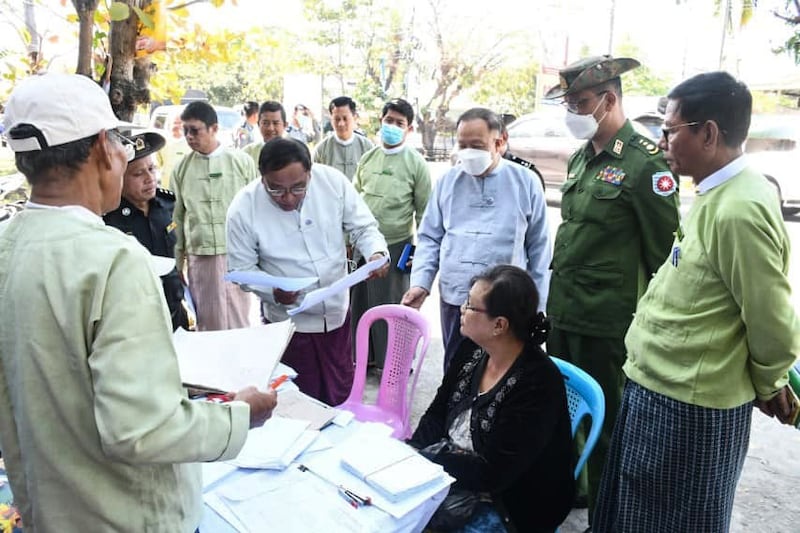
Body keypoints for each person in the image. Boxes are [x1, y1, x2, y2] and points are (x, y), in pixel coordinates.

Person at [0, 73, 276, 532]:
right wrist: (240, 416)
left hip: (49, 509)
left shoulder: (8, 245)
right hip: (126, 515)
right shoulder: (113, 260)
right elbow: (144, 431)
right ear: (101, 149)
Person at [593, 71, 800, 533]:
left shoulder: (740, 209)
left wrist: (770, 383)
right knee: (636, 513)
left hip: (690, 407)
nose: (663, 140)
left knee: (673, 520)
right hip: (663, 388)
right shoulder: (716, 193)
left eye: (670, 130)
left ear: (708, 133)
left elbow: (771, 320)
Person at [543, 55, 680, 522]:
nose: (573, 112)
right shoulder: (583, 157)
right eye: (570, 103)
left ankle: (607, 516)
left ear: (609, 99)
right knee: (564, 414)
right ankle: (574, 491)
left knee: (606, 428)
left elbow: (665, 256)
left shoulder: (645, 165)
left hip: (608, 321)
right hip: (565, 310)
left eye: (580, 102)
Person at [409, 265, 574, 532]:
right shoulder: (472, 347)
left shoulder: (538, 382)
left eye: (471, 306)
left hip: (513, 501)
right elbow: (437, 413)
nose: (462, 310)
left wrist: (429, 461)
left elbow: (494, 473)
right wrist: (413, 452)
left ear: (499, 325)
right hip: (457, 471)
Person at [226, 138, 389, 406]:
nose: (288, 198)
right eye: (276, 190)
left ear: (310, 173)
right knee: (298, 406)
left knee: (342, 399)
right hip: (288, 327)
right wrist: (273, 291)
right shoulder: (244, 207)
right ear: (262, 177)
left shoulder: (333, 183)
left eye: (298, 187)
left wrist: (376, 253)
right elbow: (241, 269)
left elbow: (364, 227)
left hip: (336, 317)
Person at [402, 107, 551, 372]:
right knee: (456, 371)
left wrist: (537, 306)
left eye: (477, 145)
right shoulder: (448, 181)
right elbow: (429, 237)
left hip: (506, 304)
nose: (469, 152)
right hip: (457, 298)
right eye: (463, 145)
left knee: (501, 374)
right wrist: (421, 283)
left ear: (500, 142)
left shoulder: (526, 182)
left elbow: (539, 250)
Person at [352, 98, 431, 368]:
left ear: (408, 129)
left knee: (393, 306)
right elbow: (352, 202)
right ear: (381, 122)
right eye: (389, 121)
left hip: (397, 247)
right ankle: (365, 359)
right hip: (363, 248)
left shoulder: (416, 164)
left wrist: (418, 255)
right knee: (361, 305)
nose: (392, 127)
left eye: (399, 123)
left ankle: (395, 362)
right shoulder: (369, 158)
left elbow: (425, 215)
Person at [172, 101, 257, 331]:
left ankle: (242, 366)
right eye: (186, 130)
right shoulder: (181, 168)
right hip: (200, 256)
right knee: (208, 321)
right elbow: (177, 216)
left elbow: (256, 210)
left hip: (236, 254)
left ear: (214, 128)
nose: (189, 136)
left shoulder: (241, 162)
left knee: (239, 318)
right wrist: (178, 260)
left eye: (195, 130)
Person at [104, 130, 189, 331]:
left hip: (174, 311)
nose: (149, 178)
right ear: (119, 178)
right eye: (138, 173)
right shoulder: (109, 218)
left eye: (151, 169)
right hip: (137, 319)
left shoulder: (166, 204)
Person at [312, 96, 374, 180]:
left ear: (354, 117)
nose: (341, 123)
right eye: (337, 119)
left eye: (345, 119)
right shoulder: (321, 150)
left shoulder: (367, 147)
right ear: (331, 119)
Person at [243, 100, 288, 166]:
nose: (270, 128)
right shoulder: (247, 153)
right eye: (265, 123)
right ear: (258, 124)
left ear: (285, 125)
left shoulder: (295, 153)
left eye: (275, 123)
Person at [156, 114, 190, 189]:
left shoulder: (190, 144)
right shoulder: (163, 143)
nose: (177, 126)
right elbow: (157, 164)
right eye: (175, 123)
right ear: (169, 124)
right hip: (166, 187)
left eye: (180, 123)